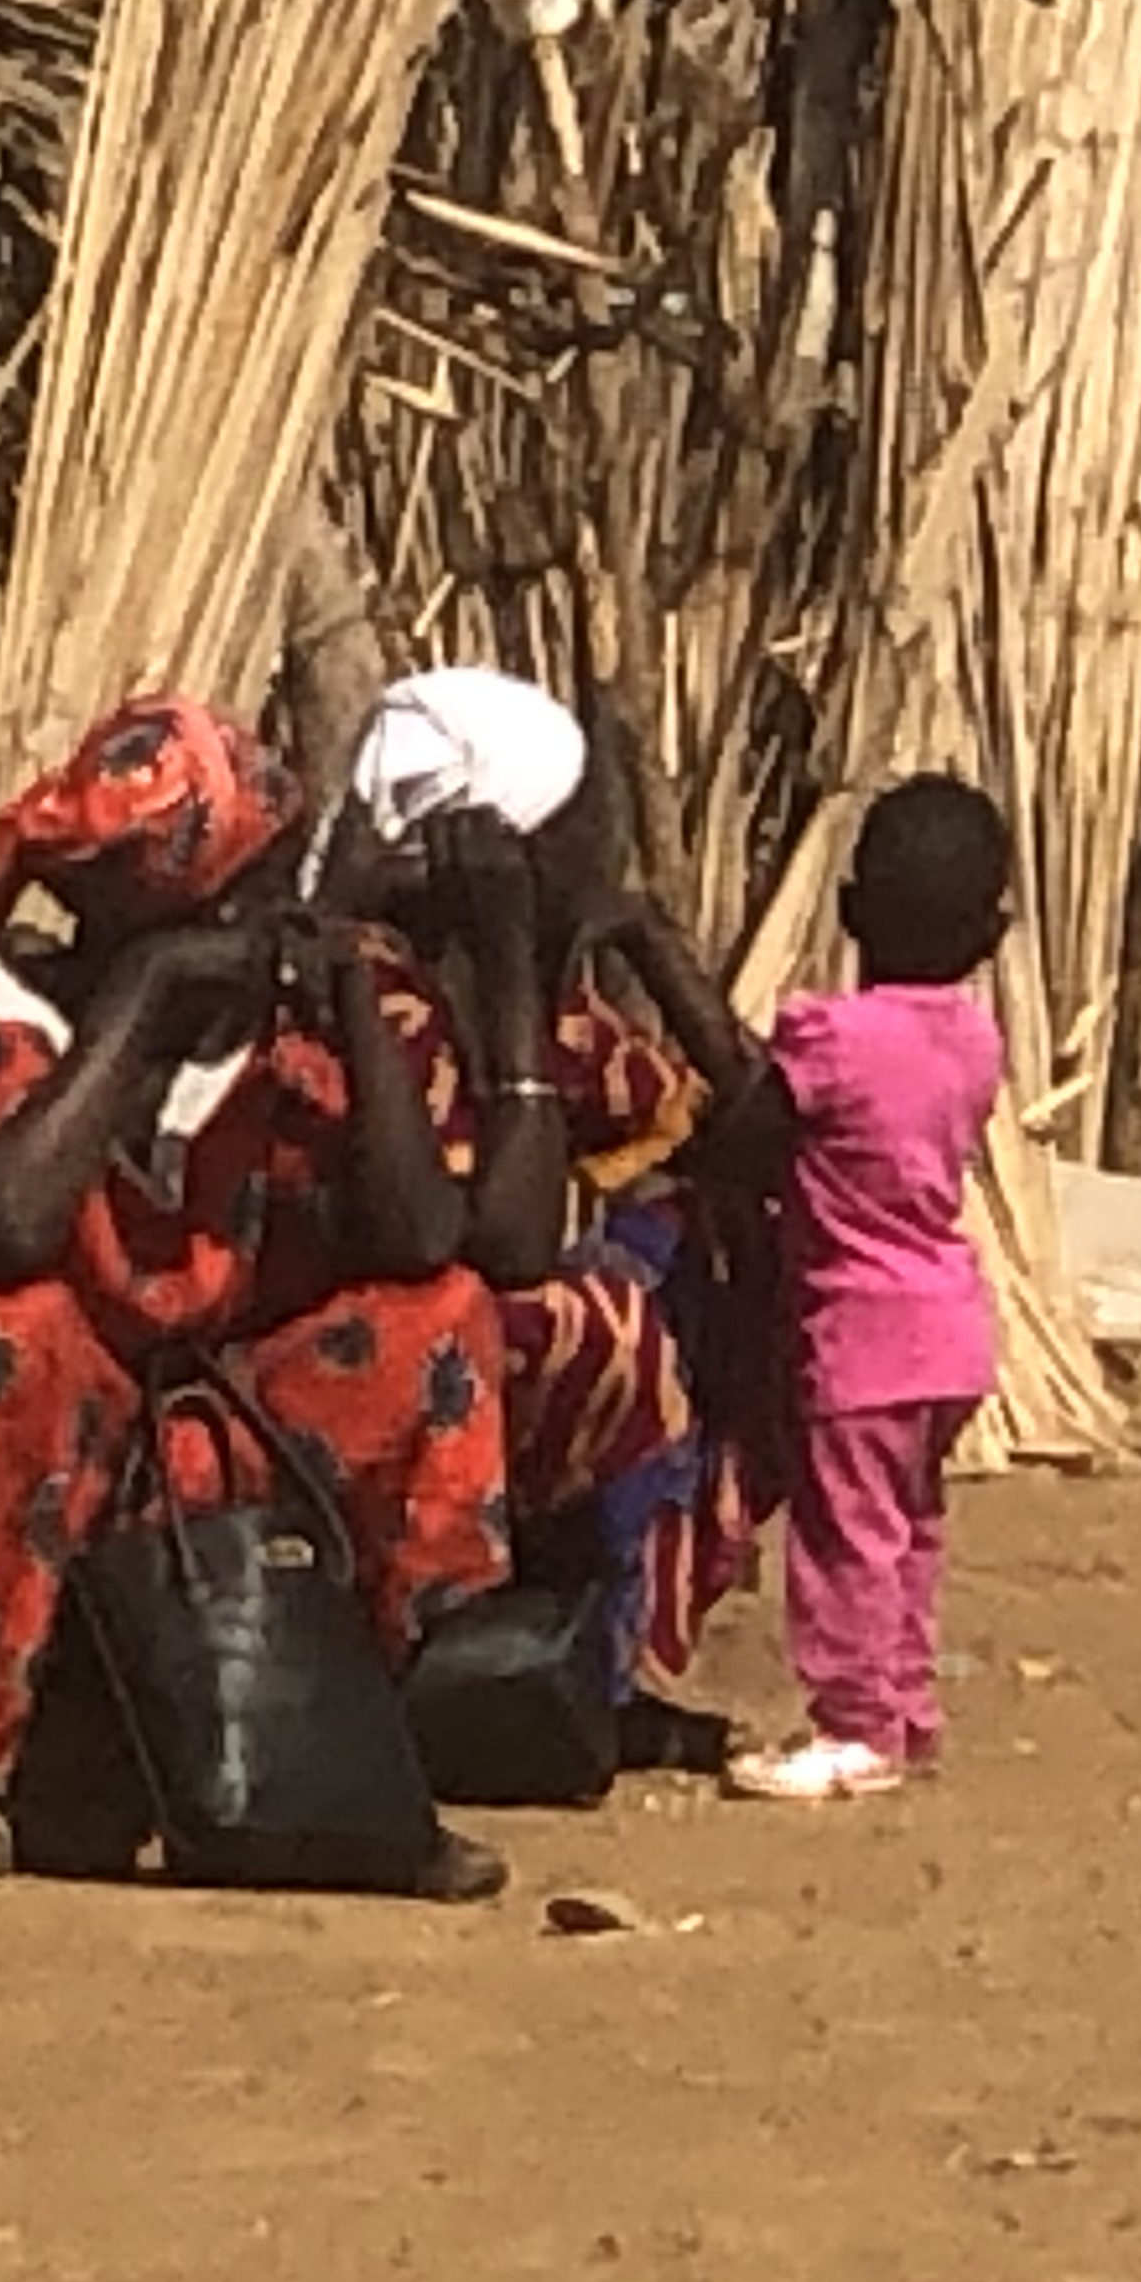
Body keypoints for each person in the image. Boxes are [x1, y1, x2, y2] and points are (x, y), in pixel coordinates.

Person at [0, 694, 517, 1902]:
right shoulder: (3, 1019)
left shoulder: (292, 1037)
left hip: (184, 1428)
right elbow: (12, 1220)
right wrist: (142, 1005)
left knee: (434, 1323)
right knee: (8, 1330)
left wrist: (348, 995)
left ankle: (337, 1749)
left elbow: (420, 1235)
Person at [316, 672, 776, 1723]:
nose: (593, 856)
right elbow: (509, 1244)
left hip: (454, 1335)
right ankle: (566, 1668)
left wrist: (653, 944)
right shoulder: (380, 985)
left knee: (710, 1243)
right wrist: (517, 971)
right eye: (573, 829)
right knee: (606, 1321)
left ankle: (597, 1652)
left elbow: (754, 1144)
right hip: (355, 1342)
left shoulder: (521, 996)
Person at [708, 772, 1012, 1803]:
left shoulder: (831, 1039)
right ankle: (906, 1707)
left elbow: (752, 1132)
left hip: (862, 1335)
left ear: (847, 910)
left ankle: (852, 1726)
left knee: (845, 1538)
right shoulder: (975, 1041)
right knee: (909, 1530)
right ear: (995, 932)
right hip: (953, 1329)